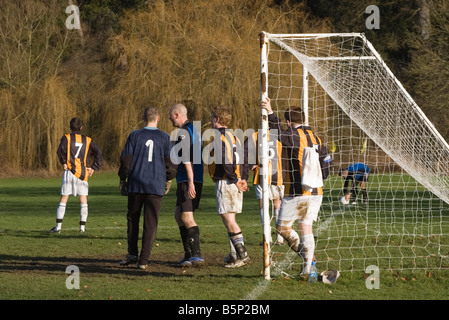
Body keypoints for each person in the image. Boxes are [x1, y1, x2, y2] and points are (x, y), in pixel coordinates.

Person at [261, 97, 331, 276]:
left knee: (282, 227)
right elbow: (327, 164)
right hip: (316, 191)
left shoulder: (293, 135)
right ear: (305, 120)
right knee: (305, 227)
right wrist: (319, 179)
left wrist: (269, 111)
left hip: (297, 191)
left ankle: (307, 258)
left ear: (288, 121)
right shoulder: (317, 138)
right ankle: (308, 268)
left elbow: (276, 132)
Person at [118, 106, 177, 270]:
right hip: (155, 185)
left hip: (136, 183)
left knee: (132, 219)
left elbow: (126, 161)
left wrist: (123, 178)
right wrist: (168, 179)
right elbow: (171, 165)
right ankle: (143, 260)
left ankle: (132, 254)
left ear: (144, 118)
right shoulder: (165, 137)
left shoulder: (134, 135)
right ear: (158, 119)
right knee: (150, 223)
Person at [208, 105, 250, 268]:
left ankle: (242, 255)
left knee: (229, 220)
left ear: (217, 120)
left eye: (212, 117)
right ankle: (234, 254)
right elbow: (244, 159)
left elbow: (226, 162)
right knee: (230, 220)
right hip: (235, 181)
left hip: (227, 182)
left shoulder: (219, 137)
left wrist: (234, 179)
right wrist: (242, 178)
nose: (210, 120)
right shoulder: (236, 136)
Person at [48, 117, 102, 233]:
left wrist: (63, 162)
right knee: (83, 200)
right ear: (81, 127)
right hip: (83, 173)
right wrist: (93, 167)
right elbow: (98, 153)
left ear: (70, 127)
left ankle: (58, 227)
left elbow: (60, 151)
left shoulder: (66, 138)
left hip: (69, 172)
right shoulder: (88, 140)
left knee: (64, 198)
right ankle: (82, 228)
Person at [169, 103, 204, 267]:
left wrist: (190, 182)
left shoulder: (184, 132)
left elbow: (187, 158)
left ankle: (196, 255)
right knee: (178, 215)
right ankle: (188, 253)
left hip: (188, 180)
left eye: (170, 115)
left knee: (187, 217)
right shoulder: (194, 131)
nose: (169, 118)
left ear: (177, 115)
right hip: (189, 179)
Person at [246, 130, 284, 245]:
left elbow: (243, 151)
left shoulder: (255, 135)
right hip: (278, 176)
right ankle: (280, 238)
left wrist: (250, 165)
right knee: (277, 205)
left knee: (263, 206)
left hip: (261, 176)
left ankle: (267, 238)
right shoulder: (280, 135)